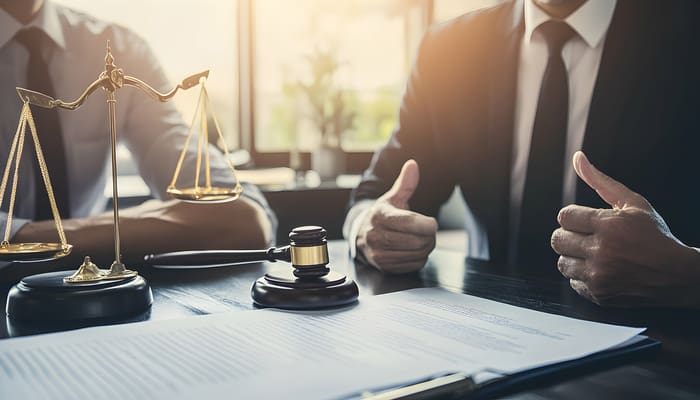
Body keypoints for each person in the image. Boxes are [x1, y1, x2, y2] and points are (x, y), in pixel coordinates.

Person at [344, 0, 700, 307]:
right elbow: (377, 197)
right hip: (489, 340)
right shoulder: (449, 50)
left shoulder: (686, 33)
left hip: (661, 350)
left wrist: (687, 274)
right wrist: (368, 229)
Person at [0, 0, 276, 281]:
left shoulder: (121, 51)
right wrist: (151, 222)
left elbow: (242, 217)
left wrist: (20, 237)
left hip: (93, 294)